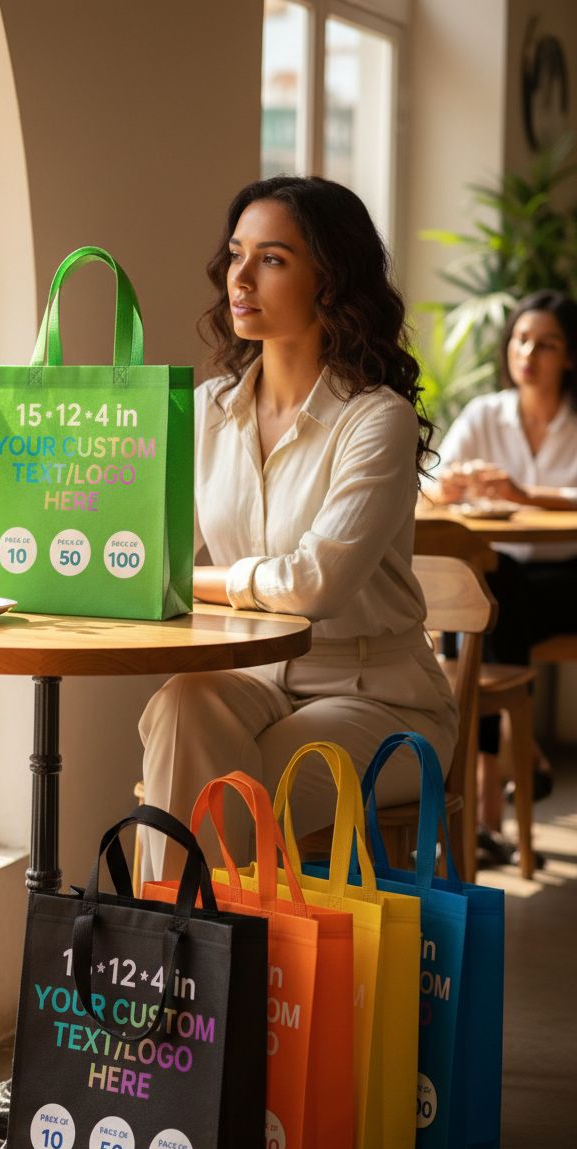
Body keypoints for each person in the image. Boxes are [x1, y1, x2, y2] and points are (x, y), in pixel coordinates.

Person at [138, 175, 458, 882]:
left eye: (273, 259)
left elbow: (314, 584)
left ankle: (174, 961)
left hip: (376, 695)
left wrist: (182, 583)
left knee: (220, 793)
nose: (240, 278)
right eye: (235, 254)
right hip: (250, 675)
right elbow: (149, 548)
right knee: (182, 705)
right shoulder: (209, 408)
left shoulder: (375, 418)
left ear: (330, 280)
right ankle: (186, 958)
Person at [430, 290, 577, 860]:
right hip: (509, 587)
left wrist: (525, 494)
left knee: (485, 605)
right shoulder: (485, 414)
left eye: (547, 343)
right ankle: (508, 780)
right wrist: (448, 485)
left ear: (569, 356)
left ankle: (488, 802)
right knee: (488, 596)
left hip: (569, 583)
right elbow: (430, 479)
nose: (529, 353)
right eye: (521, 340)